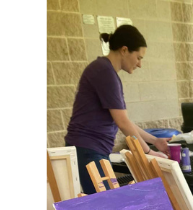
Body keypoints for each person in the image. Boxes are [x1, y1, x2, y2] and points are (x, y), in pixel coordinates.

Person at [64, 25, 168, 195]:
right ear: (125, 50)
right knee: (109, 208)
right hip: (88, 150)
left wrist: (154, 141)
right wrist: (148, 152)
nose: (140, 64)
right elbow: (123, 123)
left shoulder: (105, 70)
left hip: (91, 150)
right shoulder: (105, 72)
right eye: (139, 57)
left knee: (108, 206)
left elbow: (124, 120)